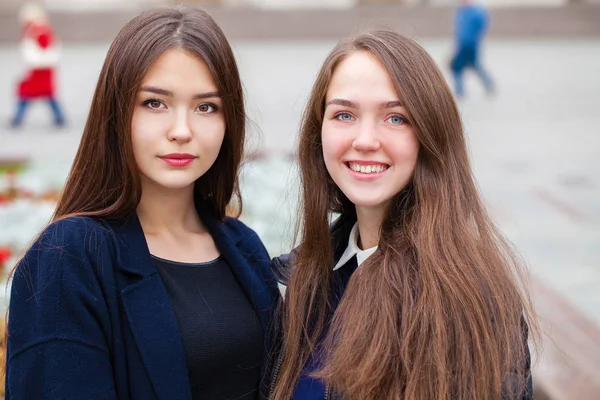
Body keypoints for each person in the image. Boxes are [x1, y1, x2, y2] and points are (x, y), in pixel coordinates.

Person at [5, 6, 278, 400]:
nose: (182, 131)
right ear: (116, 113)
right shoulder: (70, 258)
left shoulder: (243, 246)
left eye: (206, 107)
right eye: (155, 103)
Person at [269, 30, 536, 399]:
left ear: (430, 134)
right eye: (344, 114)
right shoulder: (306, 278)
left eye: (395, 118)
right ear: (319, 132)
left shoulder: (467, 299)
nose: (364, 140)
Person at [11, 2, 66, 127]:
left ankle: (17, 119)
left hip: (40, 71)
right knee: (48, 95)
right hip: (40, 71)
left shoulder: (39, 33)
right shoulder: (36, 32)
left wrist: (34, 60)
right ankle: (59, 118)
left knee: (27, 93)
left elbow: (47, 54)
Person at [450, 0, 495, 98]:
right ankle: (459, 90)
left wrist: (475, 39)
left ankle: (489, 84)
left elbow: (483, 25)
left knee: (475, 66)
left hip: (471, 44)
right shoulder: (460, 11)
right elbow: (458, 29)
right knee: (457, 67)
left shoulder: (476, 11)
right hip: (461, 45)